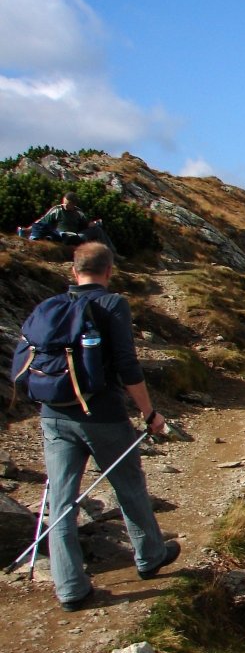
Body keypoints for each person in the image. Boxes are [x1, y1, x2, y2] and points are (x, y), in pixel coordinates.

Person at [34, 242, 178, 611]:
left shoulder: (49, 308)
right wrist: (149, 413)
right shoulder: (112, 304)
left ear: (73, 271)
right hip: (103, 415)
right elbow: (128, 366)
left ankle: (70, 589)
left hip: (54, 414)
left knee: (61, 501)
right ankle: (149, 556)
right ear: (109, 271)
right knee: (129, 485)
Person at [18, 192, 115, 250]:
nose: (65, 206)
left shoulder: (78, 212)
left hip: (77, 236)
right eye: (64, 203)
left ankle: (112, 252)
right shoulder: (57, 209)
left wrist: (96, 223)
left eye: (68, 204)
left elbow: (88, 224)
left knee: (97, 229)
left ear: (74, 204)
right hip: (62, 236)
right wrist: (28, 230)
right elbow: (41, 222)